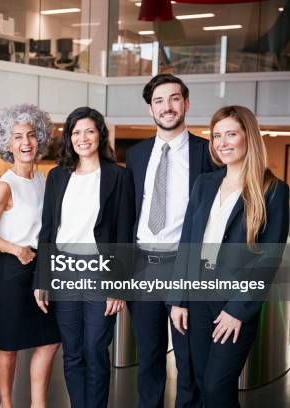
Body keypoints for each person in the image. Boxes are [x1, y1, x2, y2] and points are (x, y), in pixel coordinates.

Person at [169, 106, 289, 408]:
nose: (222, 142)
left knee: (217, 387)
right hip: (196, 297)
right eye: (216, 136)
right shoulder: (205, 184)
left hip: (233, 301)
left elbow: (268, 261)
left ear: (248, 137)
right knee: (198, 381)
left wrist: (238, 309)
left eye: (230, 134)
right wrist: (178, 299)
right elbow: (188, 244)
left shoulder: (274, 191)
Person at [33, 106, 133, 408]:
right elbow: (48, 230)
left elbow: (124, 234)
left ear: (100, 135)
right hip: (64, 270)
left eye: (89, 131)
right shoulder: (57, 177)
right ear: (69, 138)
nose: (82, 138)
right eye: (76, 132)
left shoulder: (118, 176)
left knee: (95, 349)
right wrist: (42, 278)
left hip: (100, 272)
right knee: (73, 352)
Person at [125, 73, 215, 408]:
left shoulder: (206, 153)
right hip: (142, 266)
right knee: (148, 357)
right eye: (159, 101)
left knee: (188, 358)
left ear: (186, 103)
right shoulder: (136, 155)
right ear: (150, 109)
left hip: (185, 267)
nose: (167, 107)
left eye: (174, 98)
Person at [0, 104, 61, 408]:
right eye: (18, 137)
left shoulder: (43, 180)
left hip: (40, 268)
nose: (26, 142)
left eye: (31, 135)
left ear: (40, 140)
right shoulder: (5, 186)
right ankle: (6, 404)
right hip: (12, 270)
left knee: (49, 340)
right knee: (9, 344)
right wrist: (15, 249)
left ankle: (38, 404)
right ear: (7, 145)